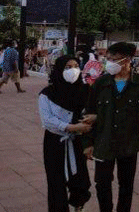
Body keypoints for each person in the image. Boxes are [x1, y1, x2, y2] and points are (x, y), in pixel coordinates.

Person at [83, 42, 139, 212]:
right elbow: (89, 113)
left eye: (115, 59)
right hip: (103, 142)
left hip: (129, 142)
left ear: (128, 61)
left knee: (126, 185)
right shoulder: (101, 83)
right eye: (108, 59)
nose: (109, 63)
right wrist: (88, 143)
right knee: (102, 183)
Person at [39, 55, 92, 212]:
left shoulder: (85, 91)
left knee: (80, 179)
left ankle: (78, 206)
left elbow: (91, 114)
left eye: (76, 66)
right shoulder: (47, 94)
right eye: (68, 67)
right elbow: (47, 120)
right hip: (55, 142)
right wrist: (72, 127)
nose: (73, 70)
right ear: (59, 70)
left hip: (78, 142)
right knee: (56, 181)